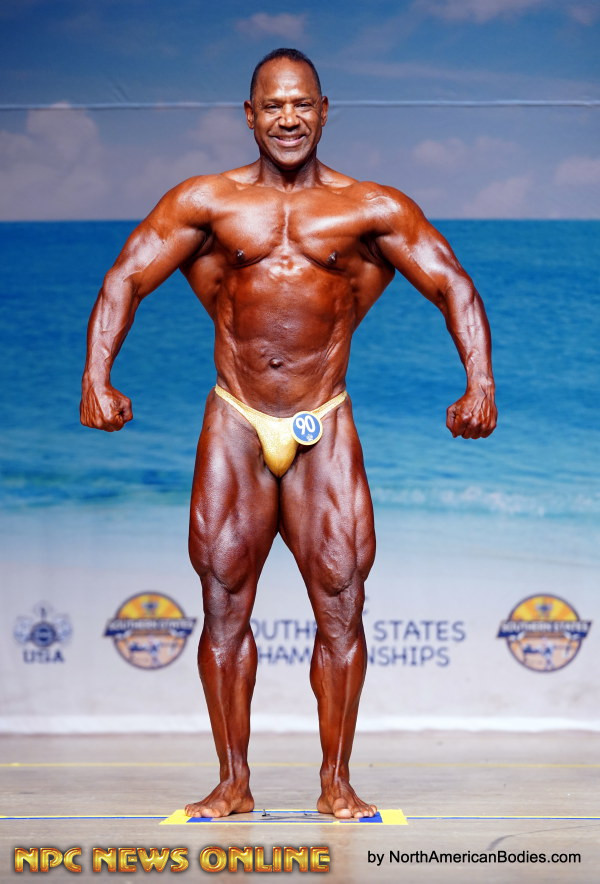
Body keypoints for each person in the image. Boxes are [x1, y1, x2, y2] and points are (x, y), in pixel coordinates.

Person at [80, 47, 497, 820]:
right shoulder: (207, 201)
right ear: (250, 115)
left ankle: (336, 782)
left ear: (324, 110)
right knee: (222, 604)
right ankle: (232, 783)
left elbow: (453, 285)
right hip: (236, 418)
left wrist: (480, 384)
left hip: (323, 420)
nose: (288, 118)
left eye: (301, 103)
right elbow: (127, 276)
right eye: (273, 105)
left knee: (341, 604)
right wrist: (95, 376)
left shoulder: (371, 208)